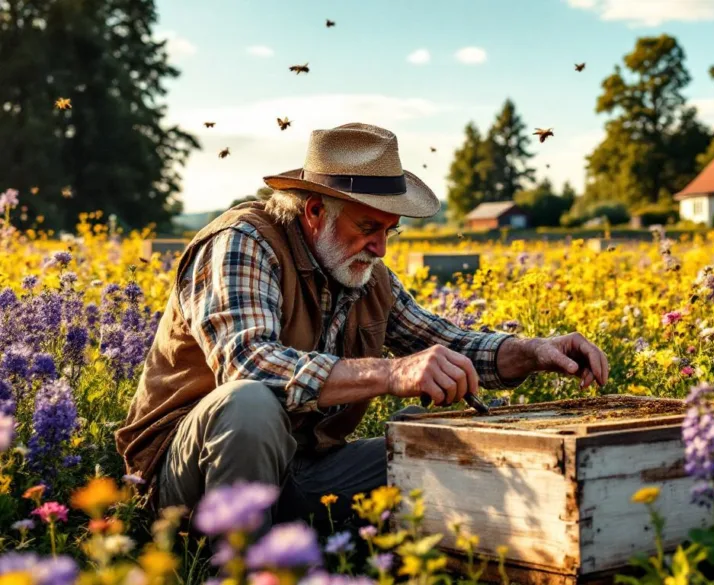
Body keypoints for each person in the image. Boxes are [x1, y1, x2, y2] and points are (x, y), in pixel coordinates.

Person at [114, 122, 609, 533]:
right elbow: (248, 365)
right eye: (368, 227)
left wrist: (534, 351)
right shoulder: (243, 242)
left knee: (440, 449)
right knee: (249, 403)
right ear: (314, 211)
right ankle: (242, 568)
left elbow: (443, 341)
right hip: (187, 479)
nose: (380, 248)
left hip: (303, 468)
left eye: (389, 231)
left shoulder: (362, 270)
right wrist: (391, 374)